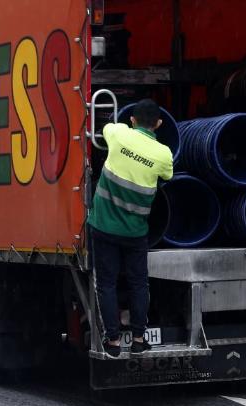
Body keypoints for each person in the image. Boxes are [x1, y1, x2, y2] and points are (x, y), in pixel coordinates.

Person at [87, 99, 173, 357]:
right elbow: (167, 176)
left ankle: (112, 340)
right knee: (138, 284)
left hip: (103, 227)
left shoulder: (119, 133)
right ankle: (138, 338)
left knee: (107, 283)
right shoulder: (163, 154)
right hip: (135, 232)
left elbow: (106, 130)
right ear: (158, 124)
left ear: (132, 120)